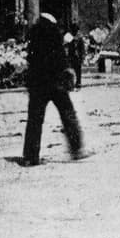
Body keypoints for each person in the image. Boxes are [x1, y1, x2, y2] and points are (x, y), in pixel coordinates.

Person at [21, 10, 85, 166]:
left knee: (35, 120)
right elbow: (60, 58)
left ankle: (30, 156)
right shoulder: (54, 33)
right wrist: (67, 73)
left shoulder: (33, 33)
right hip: (56, 83)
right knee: (68, 114)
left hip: (37, 83)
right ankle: (76, 149)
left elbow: (31, 58)